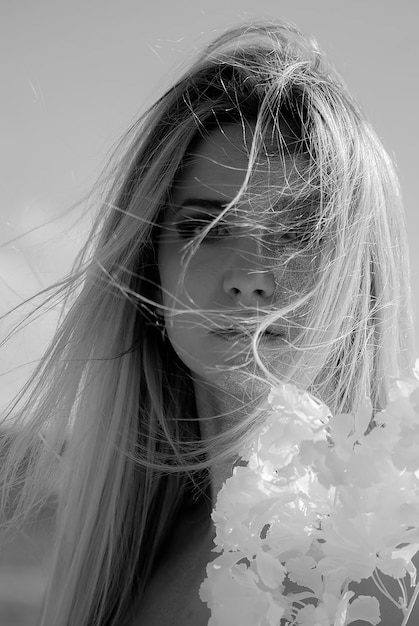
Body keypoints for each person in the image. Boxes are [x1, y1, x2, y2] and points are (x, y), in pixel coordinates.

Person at [0, 18, 415, 626]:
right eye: (206, 229)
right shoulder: (132, 552)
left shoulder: (393, 566)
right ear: (150, 268)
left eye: (299, 231)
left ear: (361, 275)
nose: (251, 275)